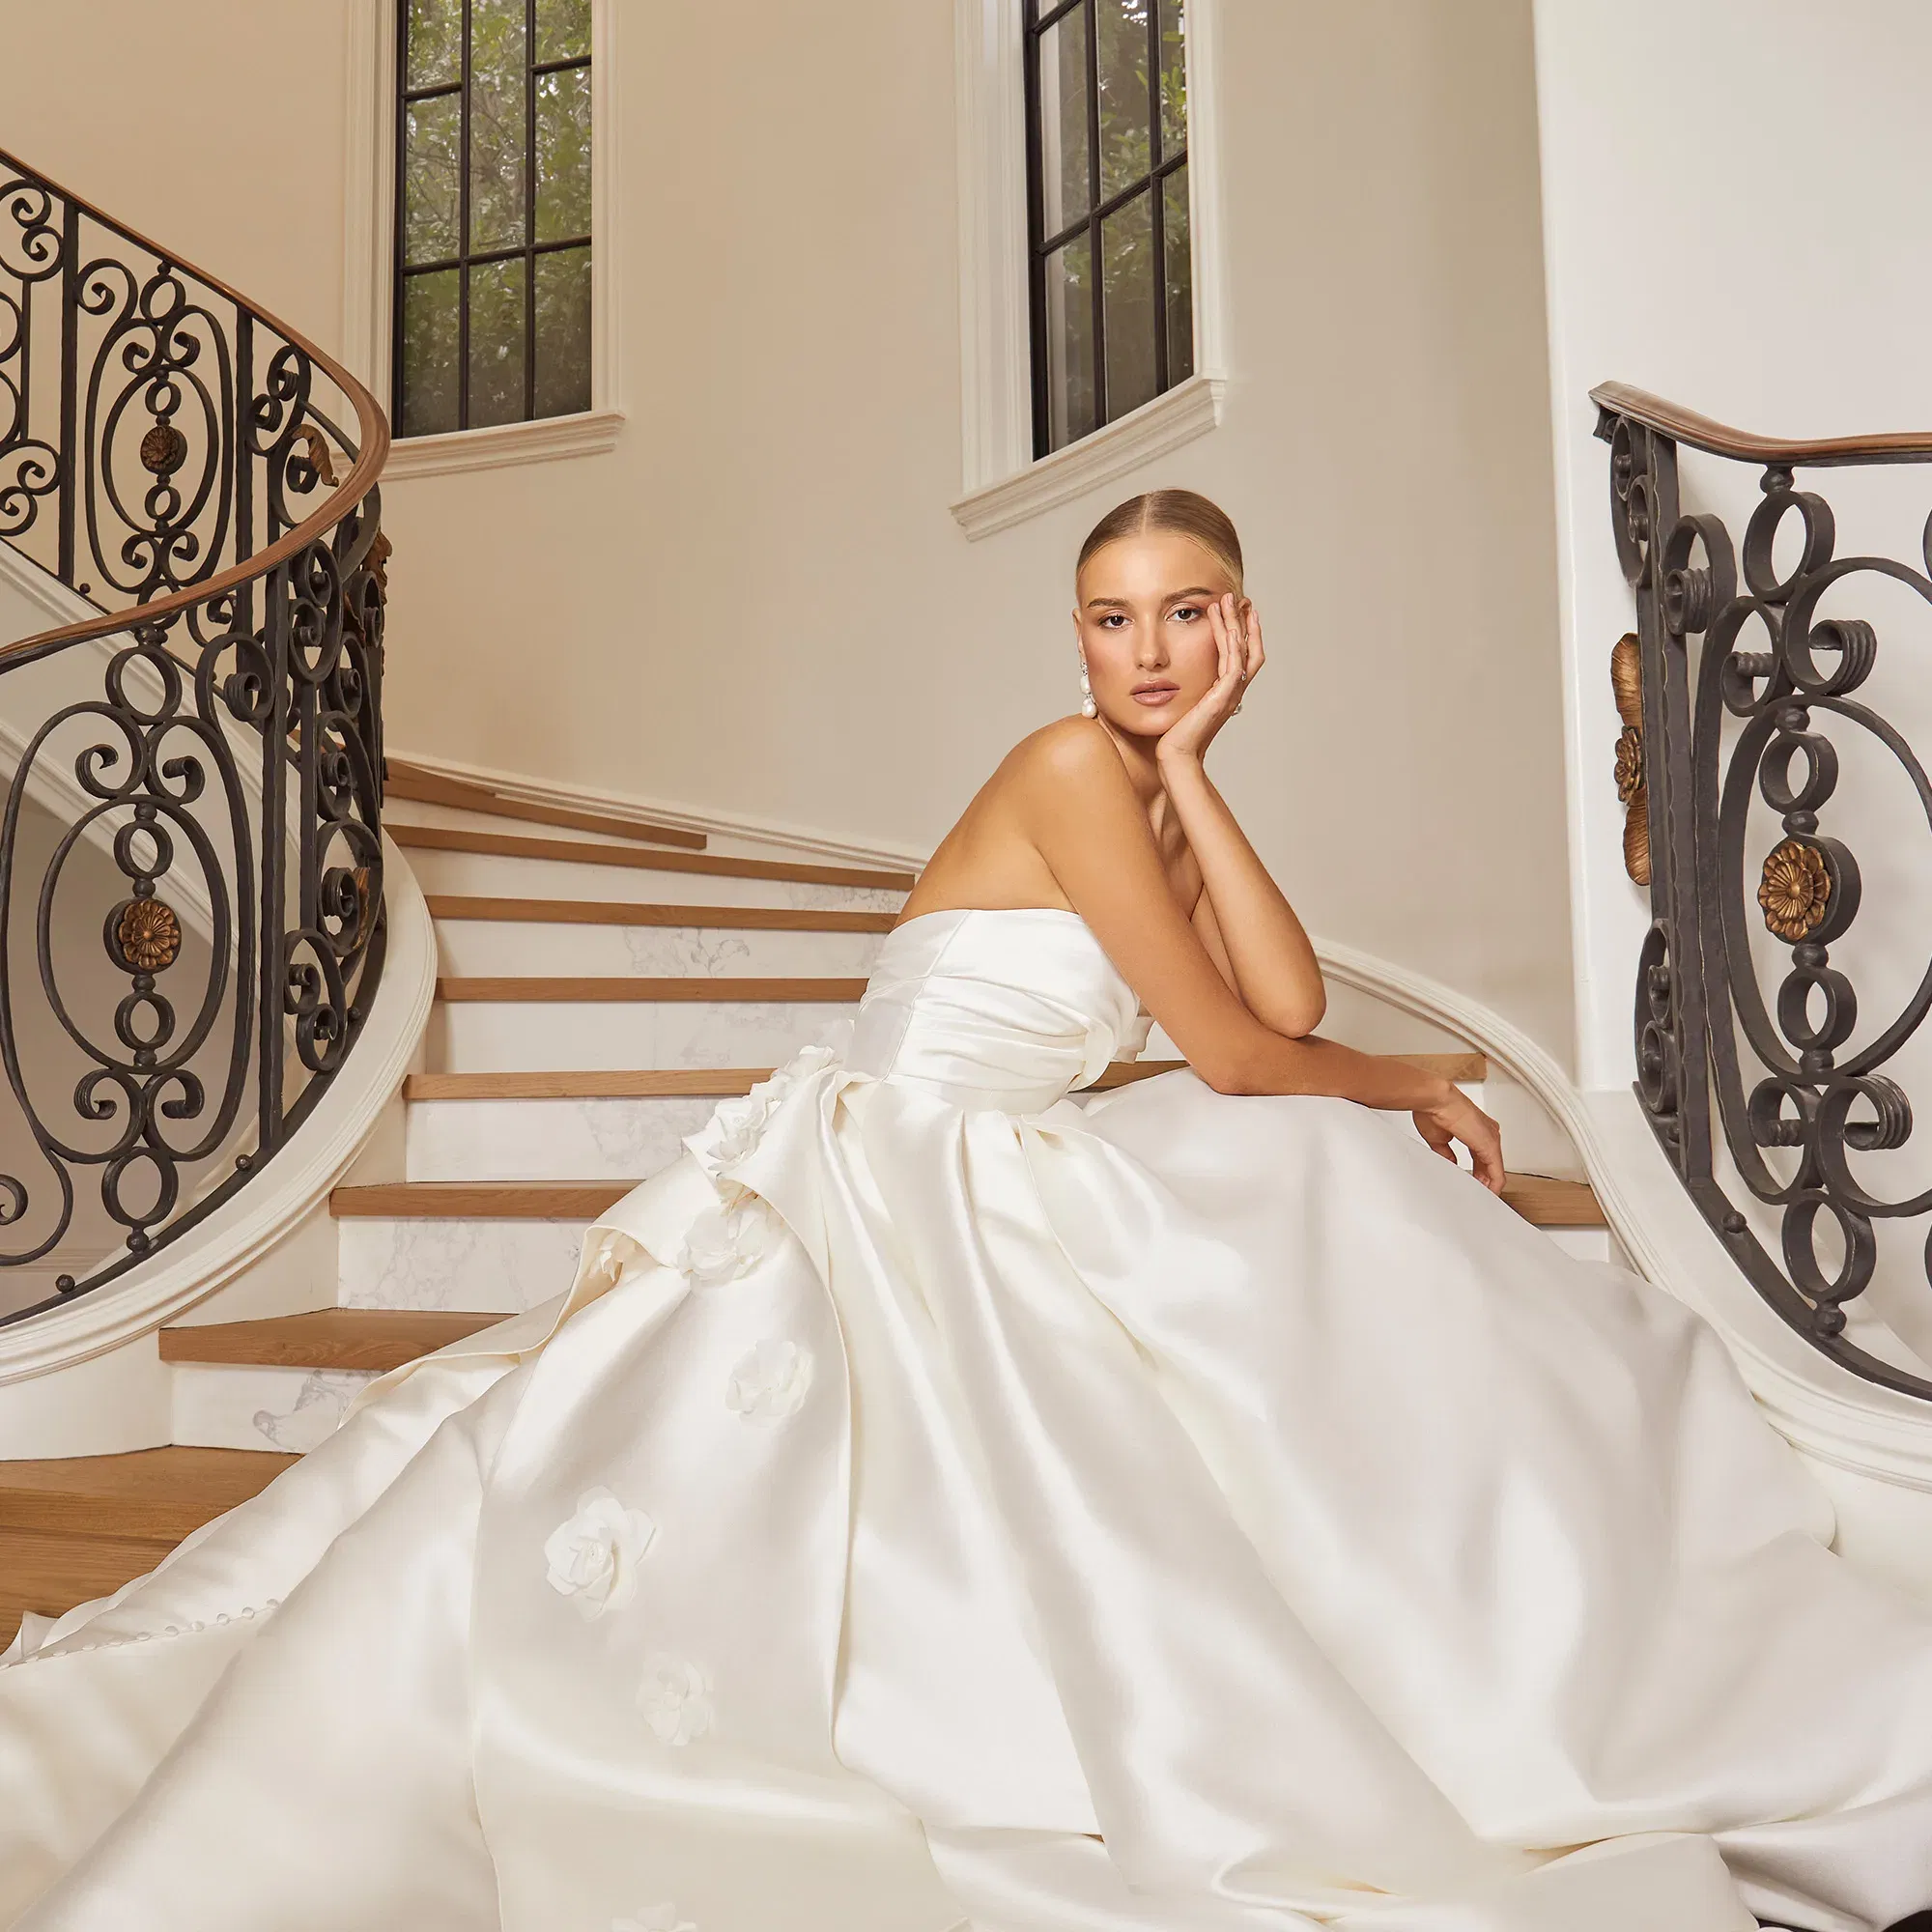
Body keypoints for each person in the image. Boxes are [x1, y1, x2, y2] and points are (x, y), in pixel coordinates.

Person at [4, 489, 1932, 1932]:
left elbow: (1269, 1003)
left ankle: (1514, 1593)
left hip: (1001, 1138)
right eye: (1112, 623)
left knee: (1310, 1170)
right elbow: (1259, 1057)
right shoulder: (1061, 767)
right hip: (904, 1156)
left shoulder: (1146, 774)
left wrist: (1204, 772)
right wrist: (1417, 1078)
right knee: (1308, 1152)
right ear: (1072, 639)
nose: (1146, 653)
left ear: (1238, 628)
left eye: (1185, 619)